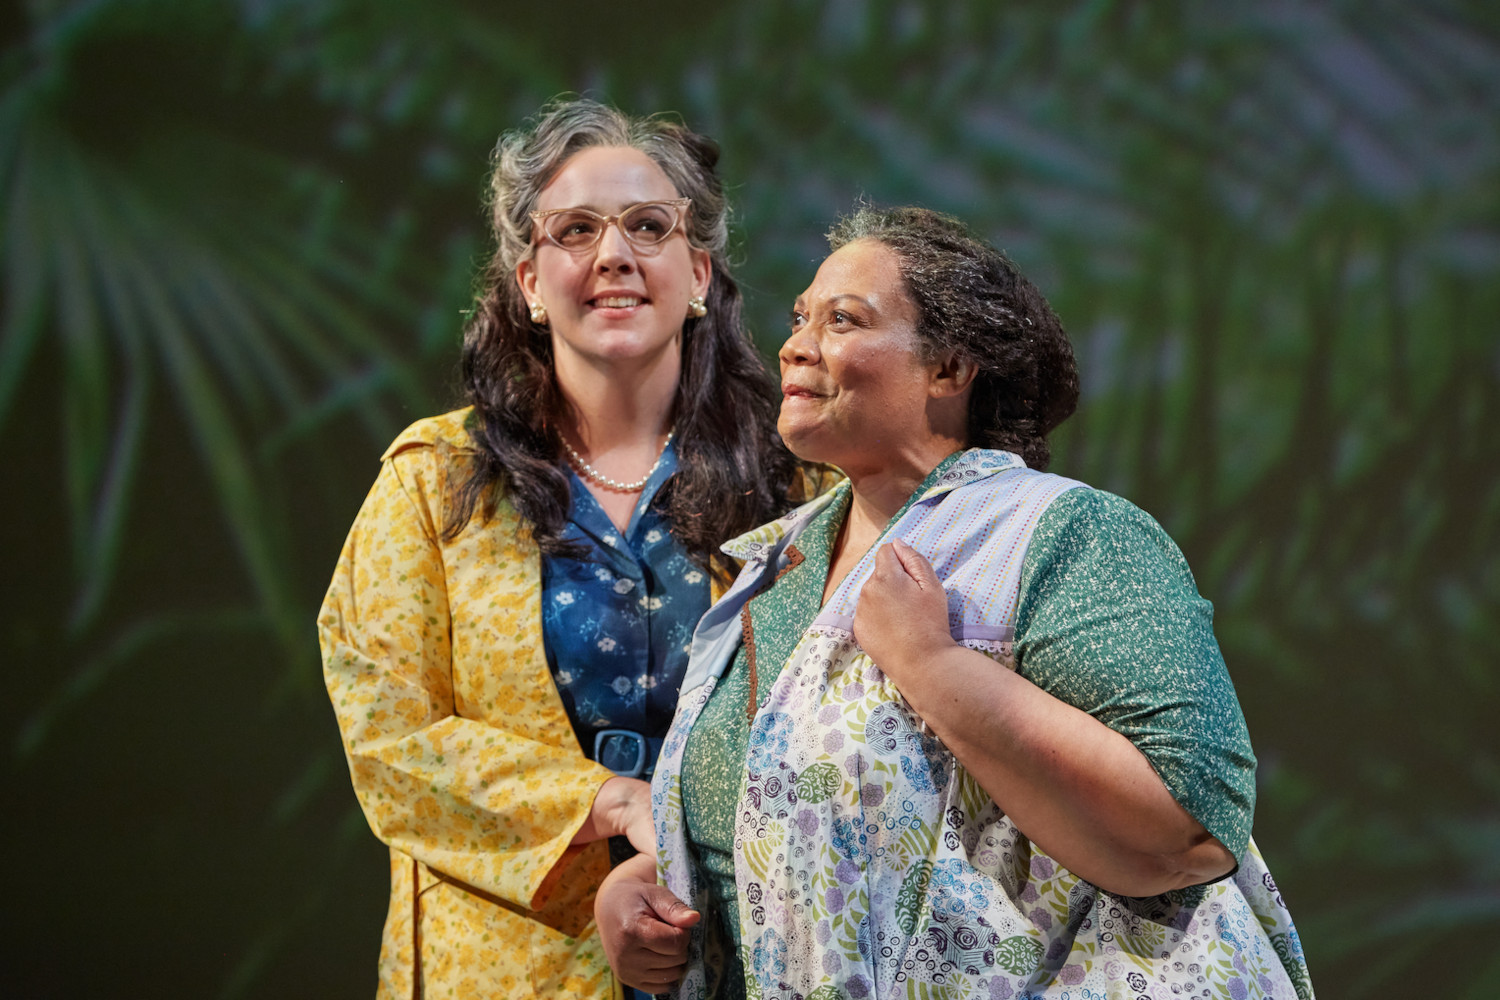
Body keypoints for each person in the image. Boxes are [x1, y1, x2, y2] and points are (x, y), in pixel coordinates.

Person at [600, 206, 1314, 999]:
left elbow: (1192, 828)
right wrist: (656, 884)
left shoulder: (1063, 533)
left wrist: (934, 667)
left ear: (949, 368)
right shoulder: (777, 567)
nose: (796, 344)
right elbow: (787, 810)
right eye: (801, 317)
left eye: (844, 320)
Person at [318, 98, 823, 1000]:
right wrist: (607, 803)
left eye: (647, 226)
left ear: (698, 272)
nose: (614, 255)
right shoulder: (433, 481)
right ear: (528, 283)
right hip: (508, 965)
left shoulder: (800, 485)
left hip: (749, 946)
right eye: (576, 230)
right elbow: (387, 731)